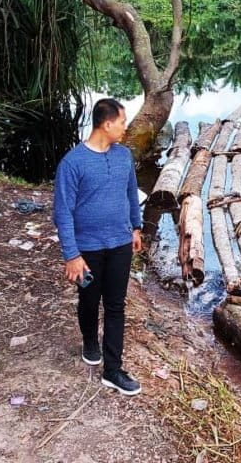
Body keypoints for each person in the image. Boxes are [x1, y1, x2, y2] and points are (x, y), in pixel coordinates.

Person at [53, 98, 143, 396]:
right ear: (107, 124)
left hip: (119, 244)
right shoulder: (73, 163)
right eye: (122, 122)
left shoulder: (124, 156)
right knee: (90, 301)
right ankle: (90, 340)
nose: (125, 128)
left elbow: (132, 193)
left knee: (116, 305)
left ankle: (113, 370)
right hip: (87, 249)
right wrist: (71, 255)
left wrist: (136, 226)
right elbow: (63, 211)